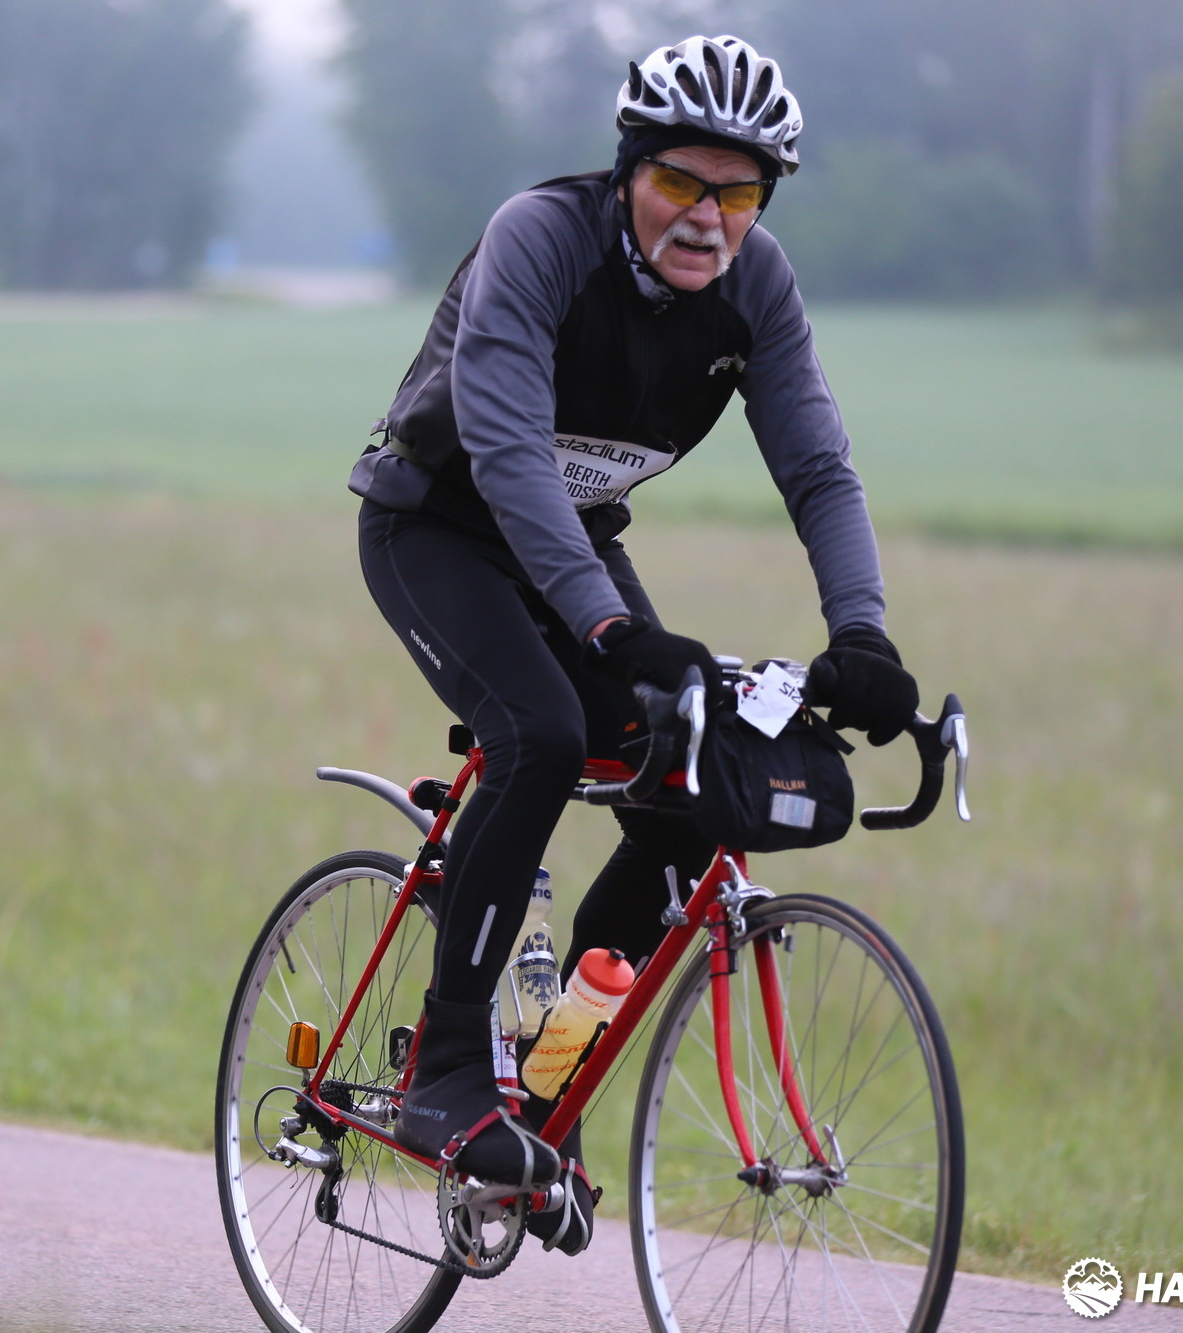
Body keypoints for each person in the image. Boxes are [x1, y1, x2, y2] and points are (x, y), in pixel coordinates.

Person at [350, 34, 920, 1250]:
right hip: (435, 526)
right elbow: (508, 456)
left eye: (740, 192)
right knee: (542, 734)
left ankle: (540, 1087)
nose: (707, 218)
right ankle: (446, 1070)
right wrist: (611, 628)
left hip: (572, 543)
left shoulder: (755, 287)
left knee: (689, 783)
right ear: (626, 174)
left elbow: (818, 468)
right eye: (678, 183)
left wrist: (862, 634)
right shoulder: (538, 239)